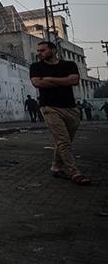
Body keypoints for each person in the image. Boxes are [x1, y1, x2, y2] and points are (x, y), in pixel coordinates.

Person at [30, 41, 90, 185]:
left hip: (70, 108)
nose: (39, 53)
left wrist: (50, 79)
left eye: (43, 50)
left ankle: (56, 167)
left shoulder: (69, 65)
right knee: (63, 141)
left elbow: (74, 80)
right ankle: (74, 172)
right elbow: (37, 83)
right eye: (38, 51)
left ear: (53, 50)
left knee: (64, 141)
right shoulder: (36, 67)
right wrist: (64, 81)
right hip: (49, 108)